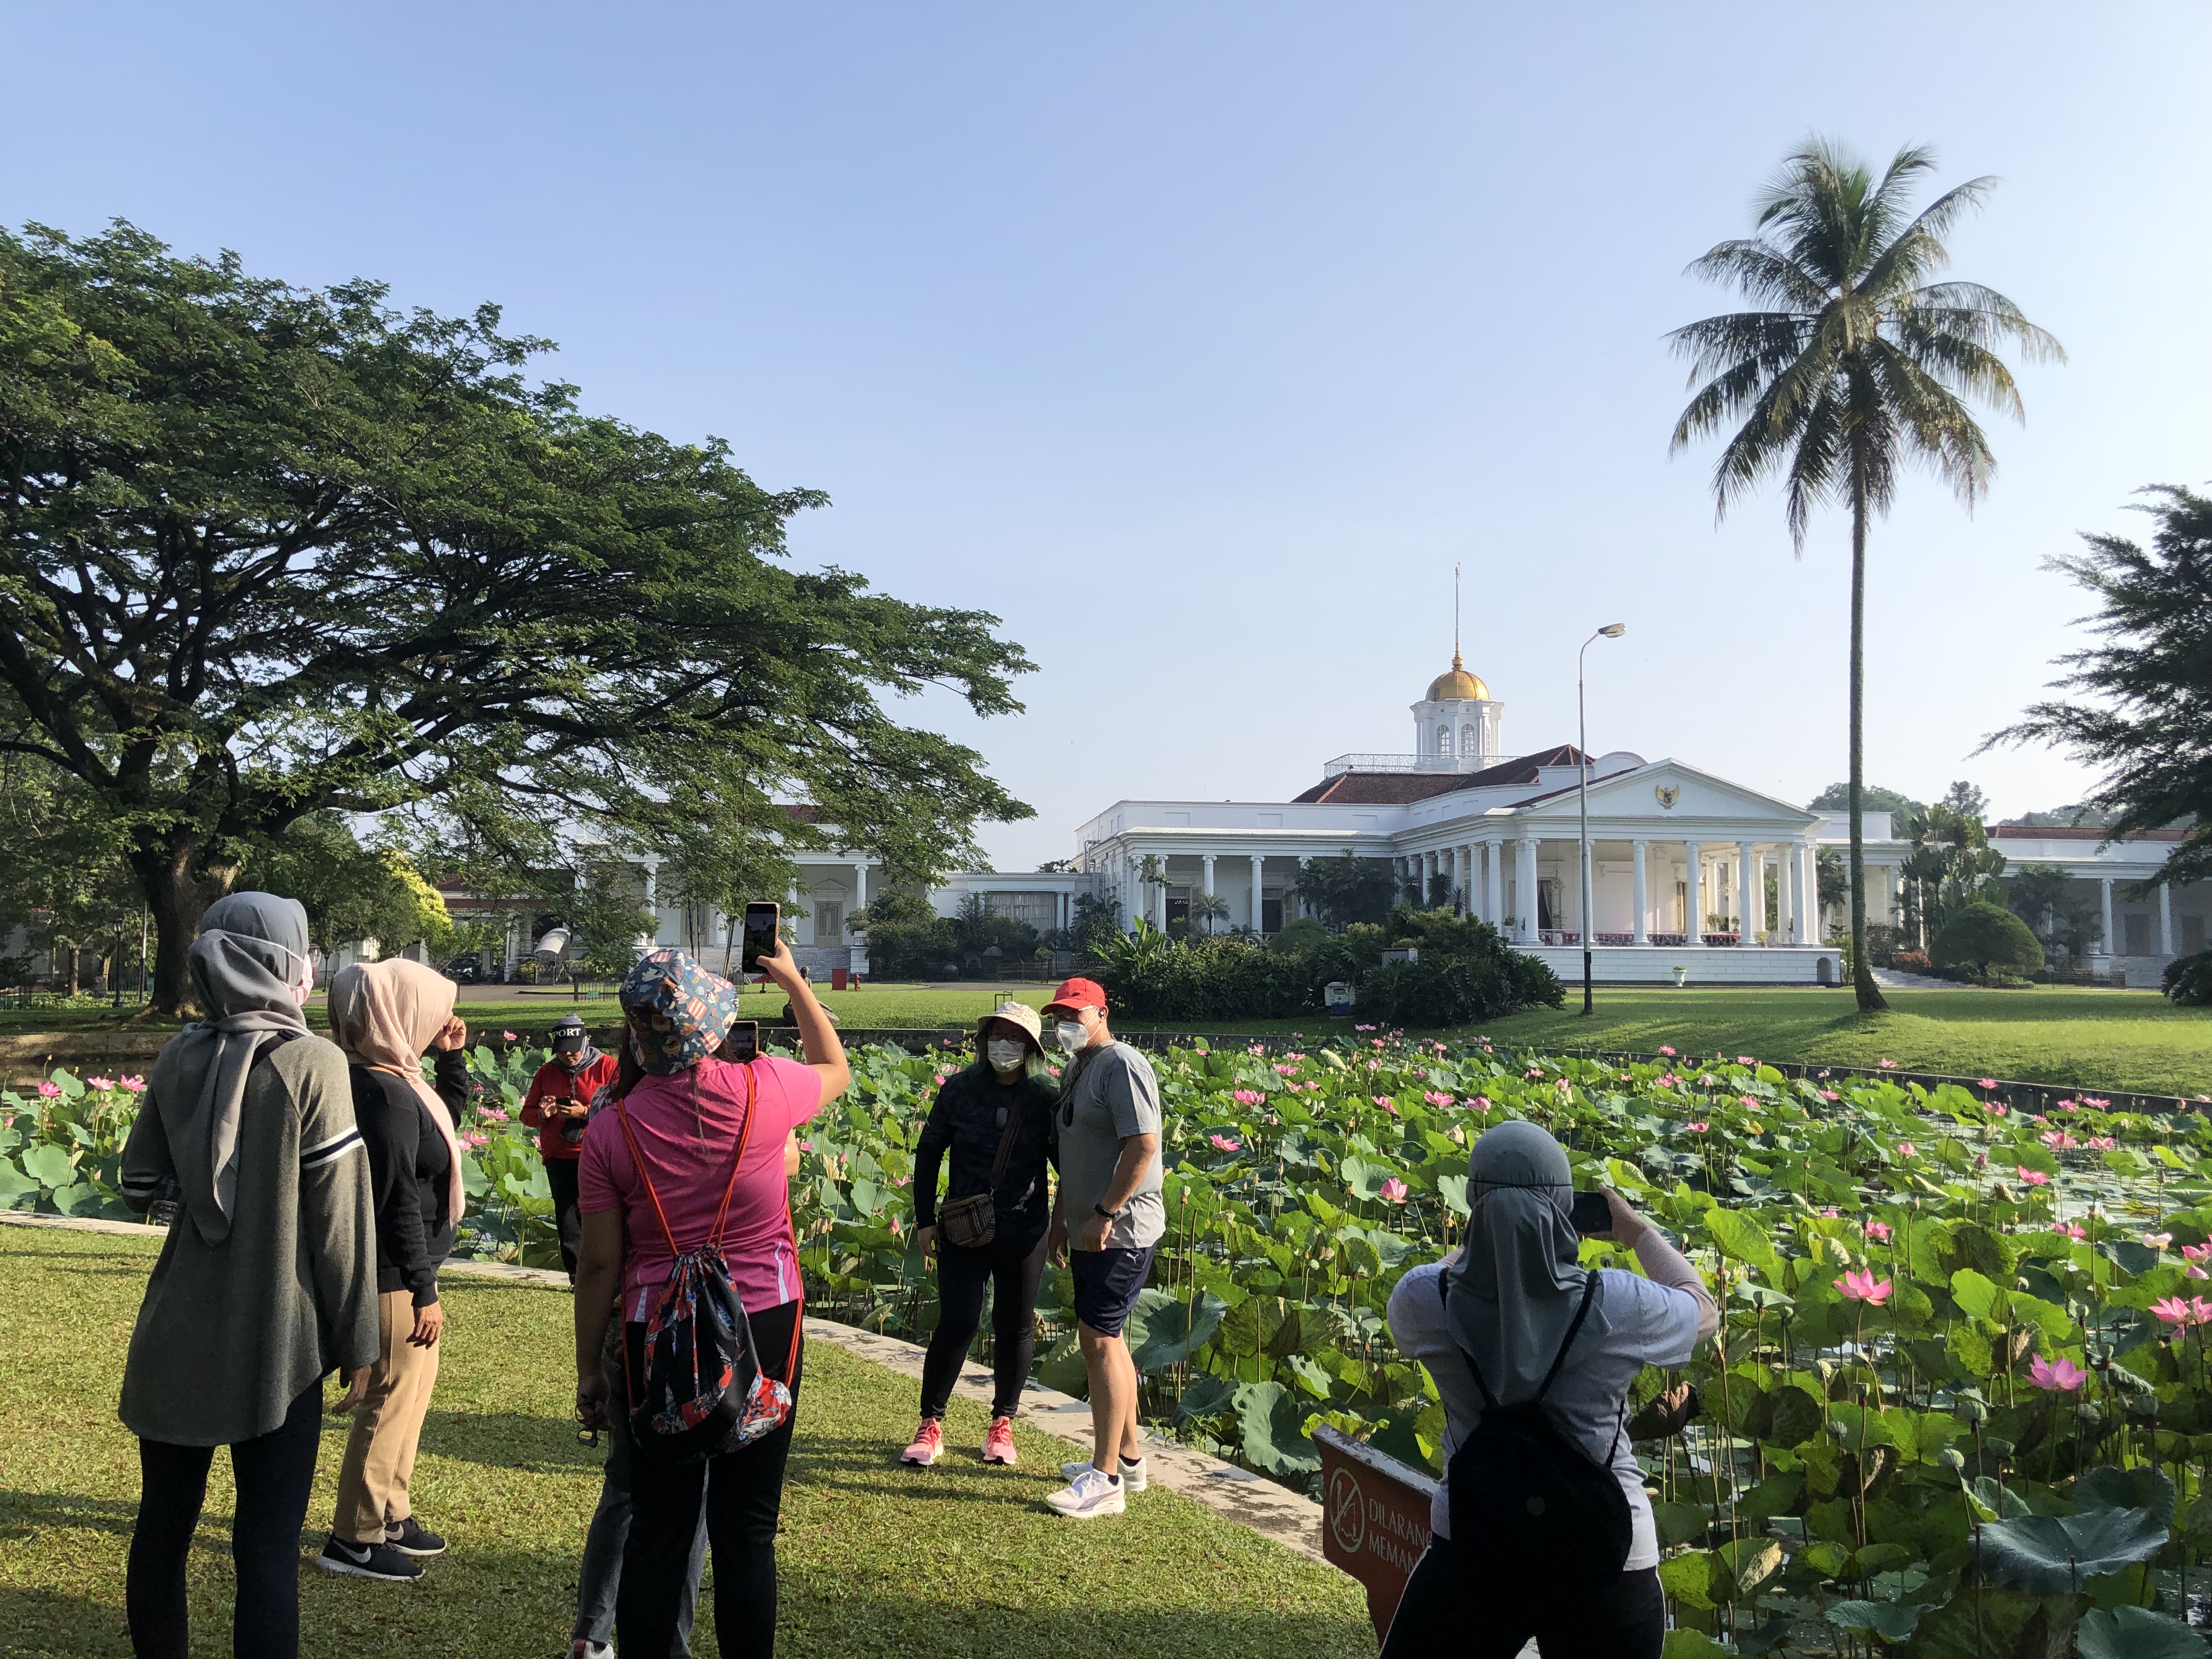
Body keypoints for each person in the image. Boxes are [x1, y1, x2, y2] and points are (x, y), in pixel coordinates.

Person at [116, 892, 380, 1659]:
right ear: (281, 964)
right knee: (265, 1547)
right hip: (278, 1341)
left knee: (162, 1526)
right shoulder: (315, 1062)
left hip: (174, 1333)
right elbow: (339, 1227)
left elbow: (138, 1186)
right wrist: (360, 1340)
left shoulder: (178, 1054)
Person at [574, 938, 848, 1659]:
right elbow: (835, 1067)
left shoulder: (611, 1128)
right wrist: (790, 979)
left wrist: (589, 1370)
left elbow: (600, 1263)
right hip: (766, 1321)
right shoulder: (765, 1090)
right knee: (747, 1530)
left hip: (653, 1333)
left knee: (660, 1532)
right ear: (714, 1027)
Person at [1380, 1121, 1718, 1659]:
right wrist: (1635, 1232)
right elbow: (1702, 1308)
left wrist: (1485, 1236)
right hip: (1609, 1554)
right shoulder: (1618, 1303)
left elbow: (1445, 1273)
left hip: (1476, 1545)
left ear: (1472, 1204)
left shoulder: (1425, 1301)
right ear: (1564, 1208)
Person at [317, 958, 472, 1582]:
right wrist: (423, 1289)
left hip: (407, 1271)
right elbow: (398, 1197)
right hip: (393, 1275)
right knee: (389, 1399)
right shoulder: (381, 1093)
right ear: (395, 1013)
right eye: (428, 1009)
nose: (436, 1018)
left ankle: (391, 1512)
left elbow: (439, 1137)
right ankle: (353, 1537)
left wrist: (451, 1062)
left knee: (412, 1397)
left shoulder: (390, 1080)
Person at [901, 1002, 1059, 1468]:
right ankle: (931, 1424)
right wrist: (924, 1219)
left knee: (1015, 1325)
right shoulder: (959, 1090)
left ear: (1030, 1047)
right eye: (997, 1034)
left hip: (1024, 1227)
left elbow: (1064, 1163)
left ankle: (1002, 1423)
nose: (1003, 1044)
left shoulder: (1045, 1096)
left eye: (1014, 1036)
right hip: (963, 1226)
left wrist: (1075, 1220)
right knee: (959, 1321)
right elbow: (929, 1154)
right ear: (983, 1040)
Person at [1040, 977, 1163, 1519]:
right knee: (1108, 1340)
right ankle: (1130, 1460)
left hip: (1122, 1229)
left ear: (1101, 1013)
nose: (1065, 1025)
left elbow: (1143, 1144)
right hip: (1089, 1227)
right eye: (1059, 1016)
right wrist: (1061, 1220)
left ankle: (1105, 1477)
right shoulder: (1078, 1068)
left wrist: (1106, 1213)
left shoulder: (1121, 1065)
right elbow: (1076, 1149)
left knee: (1097, 1340)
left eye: (1075, 1014)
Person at [523, 1014, 620, 1278]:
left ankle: (609, 1272)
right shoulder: (546, 1072)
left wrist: (585, 1112)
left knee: (601, 1213)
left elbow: (623, 1107)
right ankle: (577, 1277)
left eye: (574, 1050)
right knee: (567, 1218)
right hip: (558, 1154)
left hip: (597, 1152)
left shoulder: (607, 1067)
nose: (569, 1055)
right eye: (563, 1051)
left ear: (585, 1042)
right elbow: (527, 1115)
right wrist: (544, 1114)